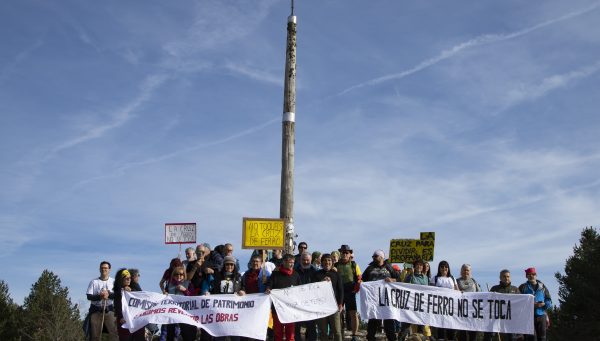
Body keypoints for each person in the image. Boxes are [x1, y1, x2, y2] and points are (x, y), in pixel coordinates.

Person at [362, 249, 399, 341]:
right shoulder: (370, 268)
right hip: (374, 298)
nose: (373, 258)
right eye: (373, 256)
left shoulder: (389, 267)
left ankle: (392, 338)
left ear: (381, 257)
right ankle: (370, 337)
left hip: (387, 298)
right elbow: (362, 279)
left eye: (375, 256)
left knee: (388, 318)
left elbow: (399, 279)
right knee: (373, 318)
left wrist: (392, 280)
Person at [265, 253, 302, 341]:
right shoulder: (275, 274)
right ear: (284, 262)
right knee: (278, 334)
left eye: (293, 262)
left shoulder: (296, 275)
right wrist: (268, 289)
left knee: (290, 335)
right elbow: (269, 285)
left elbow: (300, 290)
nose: (292, 264)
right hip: (277, 310)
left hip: (290, 309)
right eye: (290, 262)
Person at [335, 244, 362, 341]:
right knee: (339, 313)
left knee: (353, 313)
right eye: (343, 252)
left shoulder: (354, 264)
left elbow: (359, 277)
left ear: (350, 254)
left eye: (347, 252)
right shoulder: (336, 265)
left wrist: (357, 286)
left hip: (350, 291)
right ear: (340, 253)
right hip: (339, 292)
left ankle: (354, 335)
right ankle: (340, 334)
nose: (344, 254)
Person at [483, 269, 519, 341]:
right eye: (504, 276)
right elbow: (488, 302)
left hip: (510, 317)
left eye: (508, 276)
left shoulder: (515, 289)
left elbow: (520, 302)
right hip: (496, 316)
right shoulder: (495, 288)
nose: (506, 278)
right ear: (500, 278)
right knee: (489, 335)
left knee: (512, 337)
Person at [87, 261, 118, 341]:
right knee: (95, 336)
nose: (104, 269)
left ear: (109, 269)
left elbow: (117, 295)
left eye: (106, 268)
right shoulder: (94, 282)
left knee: (114, 334)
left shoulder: (114, 282)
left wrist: (109, 294)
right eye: (102, 268)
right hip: (96, 311)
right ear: (99, 269)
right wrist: (100, 296)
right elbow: (89, 296)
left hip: (110, 311)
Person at [315, 254, 344, 341]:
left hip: (334, 306)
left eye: (329, 260)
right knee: (323, 332)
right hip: (321, 306)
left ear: (332, 262)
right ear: (322, 262)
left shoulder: (336, 274)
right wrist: (321, 282)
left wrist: (340, 303)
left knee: (337, 331)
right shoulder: (317, 274)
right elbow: (313, 288)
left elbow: (341, 290)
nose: (327, 262)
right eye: (325, 260)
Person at [519, 267, 552, 341]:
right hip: (528, 316)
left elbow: (548, 299)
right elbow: (519, 301)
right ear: (526, 276)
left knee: (542, 338)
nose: (531, 276)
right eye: (529, 274)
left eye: (533, 274)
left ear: (536, 275)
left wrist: (544, 304)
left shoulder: (542, 286)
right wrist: (531, 305)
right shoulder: (522, 287)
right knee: (531, 338)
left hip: (541, 314)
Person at [165, 266, 197, 341]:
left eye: (181, 274)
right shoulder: (169, 284)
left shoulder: (188, 283)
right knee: (170, 333)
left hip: (184, 312)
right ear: (174, 275)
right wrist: (165, 293)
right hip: (171, 312)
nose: (179, 276)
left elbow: (193, 297)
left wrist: (185, 290)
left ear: (184, 275)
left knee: (186, 333)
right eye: (176, 274)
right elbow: (166, 293)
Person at [113, 269, 145, 341]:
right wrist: (121, 317)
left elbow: (142, 297)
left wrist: (131, 291)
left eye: (130, 278)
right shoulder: (117, 292)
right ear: (121, 279)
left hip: (136, 320)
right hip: (123, 320)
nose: (129, 280)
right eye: (126, 278)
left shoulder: (135, 287)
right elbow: (117, 305)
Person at [294, 252, 319, 341]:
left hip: (311, 302)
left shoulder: (315, 271)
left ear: (311, 260)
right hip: (298, 301)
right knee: (297, 325)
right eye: (303, 260)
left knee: (311, 325)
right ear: (300, 260)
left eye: (307, 260)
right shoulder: (294, 270)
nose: (305, 261)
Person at [432, 260, 458, 341]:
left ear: (448, 268)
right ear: (439, 268)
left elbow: (457, 290)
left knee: (451, 326)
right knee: (441, 326)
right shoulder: (435, 278)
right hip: (439, 306)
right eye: (442, 267)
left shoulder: (452, 278)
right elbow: (430, 290)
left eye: (446, 267)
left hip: (451, 306)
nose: (444, 268)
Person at [456, 264, 481, 341]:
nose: (466, 272)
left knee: (473, 333)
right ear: (461, 271)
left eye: (467, 270)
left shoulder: (474, 281)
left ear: (470, 272)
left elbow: (480, 293)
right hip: (461, 311)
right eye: (464, 270)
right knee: (462, 333)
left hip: (472, 311)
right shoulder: (457, 281)